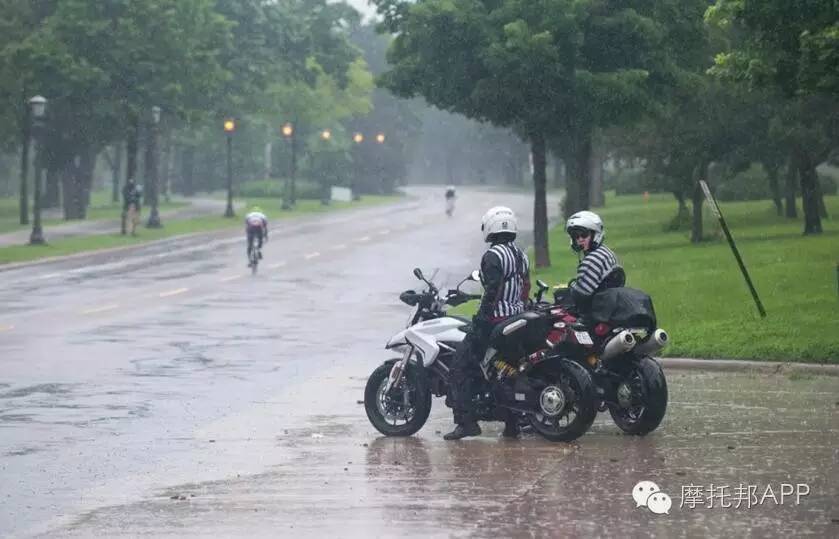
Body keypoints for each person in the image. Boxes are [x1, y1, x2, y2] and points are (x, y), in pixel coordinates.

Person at [444, 206, 531, 441]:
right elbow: (525, 289)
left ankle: (466, 422)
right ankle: (512, 425)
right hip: (517, 321)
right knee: (507, 371)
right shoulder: (521, 255)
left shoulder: (492, 256)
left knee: (460, 366)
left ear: (490, 228)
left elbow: (492, 292)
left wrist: (480, 323)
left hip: (496, 322)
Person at [565, 210, 625, 314]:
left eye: (583, 234)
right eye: (575, 236)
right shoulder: (606, 252)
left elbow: (580, 296)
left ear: (595, 234)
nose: (579, 239)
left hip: (595, 314)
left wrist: (570, 288)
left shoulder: (591, 260)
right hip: (609, 309)